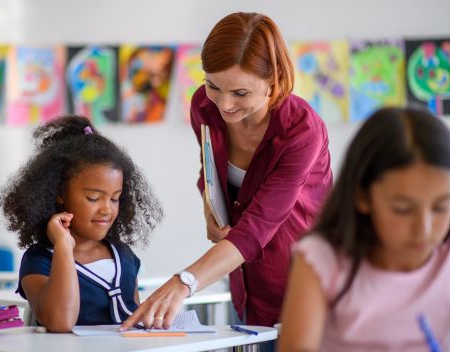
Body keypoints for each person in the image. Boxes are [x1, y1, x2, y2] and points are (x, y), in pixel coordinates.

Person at [121, 12, 332, 331]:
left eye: (241, 93)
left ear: (273, 80)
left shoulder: (302, 130)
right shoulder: (203, 108)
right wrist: (210, 209)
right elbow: (210, 173)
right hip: (245, 280)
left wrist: (184, 282)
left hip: (306, 284)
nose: (224, 104)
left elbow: (260, 223)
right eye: (213, 86)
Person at [278, 107, 450, 352]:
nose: (424, 229)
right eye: (402, 209)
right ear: (362, 196)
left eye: (441, 207)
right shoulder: (323, 258)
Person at [0, 115, 163, 333]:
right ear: (60, 193)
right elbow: (59, 322)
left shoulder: (123, 254)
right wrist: (63, 245)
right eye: (94, 198)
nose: (107, 209)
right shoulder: (39, 260)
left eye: (115, 198)